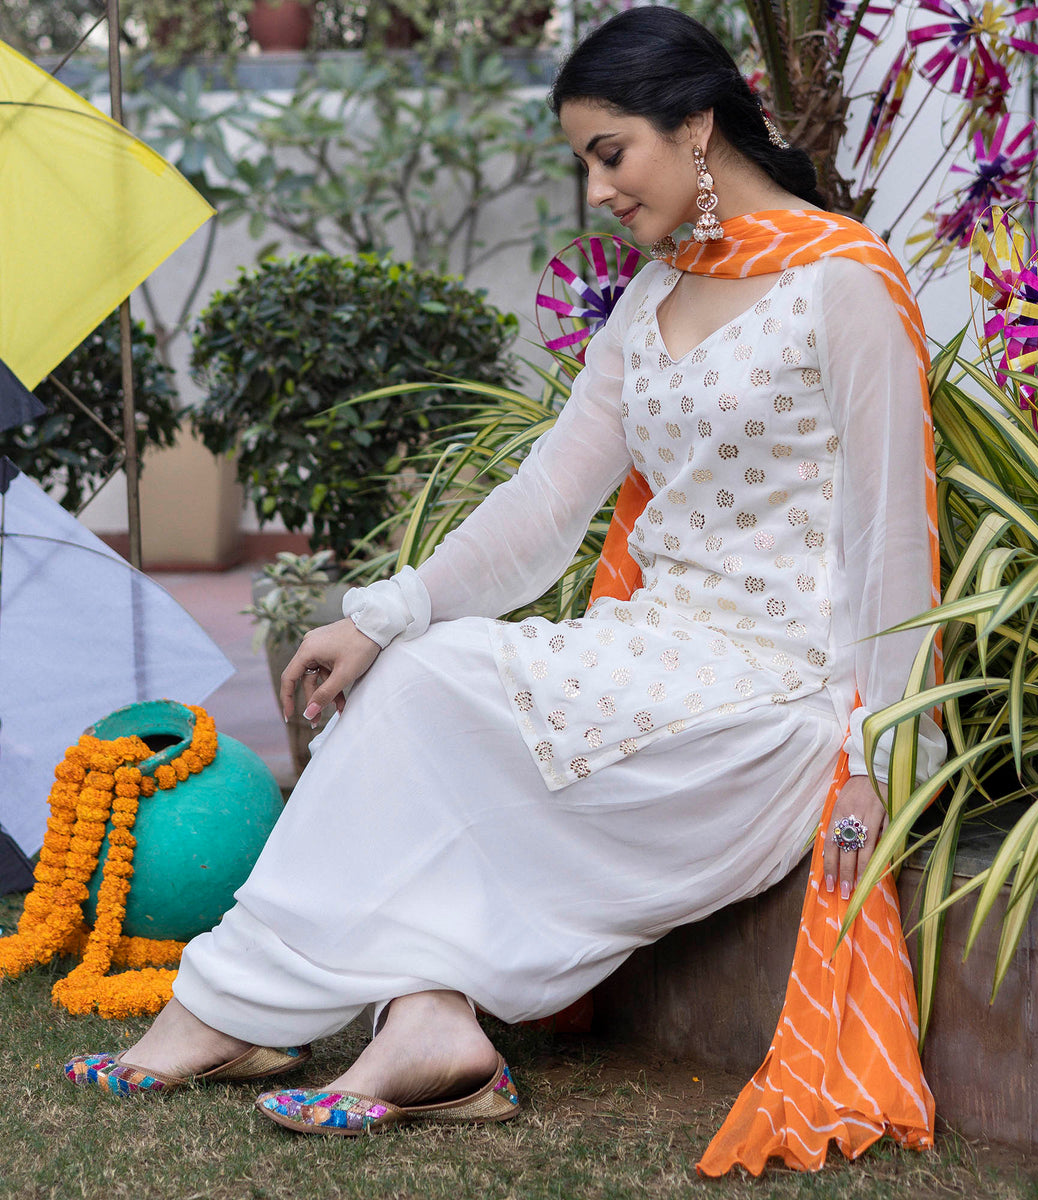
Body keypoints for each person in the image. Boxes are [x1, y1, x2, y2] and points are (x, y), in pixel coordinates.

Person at [65, 4, 945, 1164]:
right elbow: (544, 507)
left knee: (435, 693)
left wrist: (878, 757)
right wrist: (379, 617)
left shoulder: (845, 285)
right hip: (653, 658)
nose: (598, 191)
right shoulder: (652, 301)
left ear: (694, 127)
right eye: (586, 161)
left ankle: (229, 1011)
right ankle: (423, 1028)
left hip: (778, 709)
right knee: (416, 676)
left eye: (608, 153)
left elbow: (893, 533)